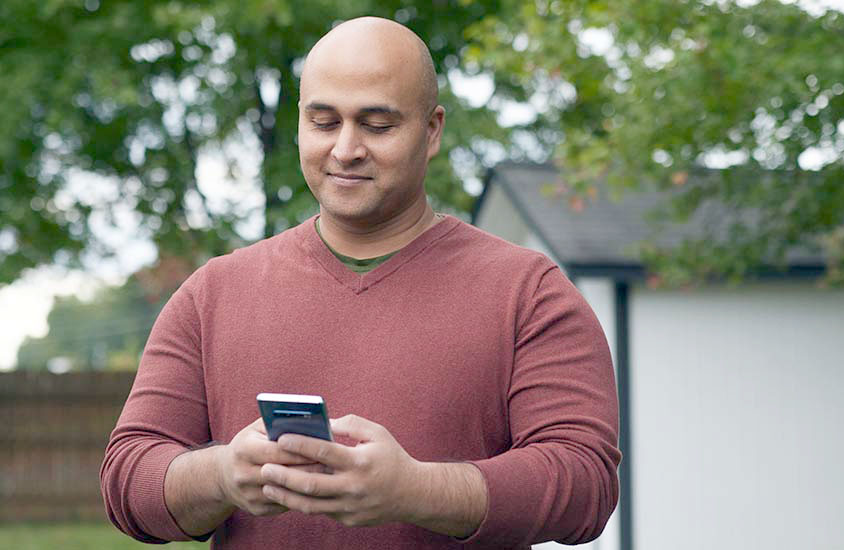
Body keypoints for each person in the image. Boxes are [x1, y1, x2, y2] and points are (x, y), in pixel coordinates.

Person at [101, 16, 620, 549]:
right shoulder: (213, 293)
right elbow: (129, 479)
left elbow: (585, 484)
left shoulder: (527, 293)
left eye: (377, 125)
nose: (345, 150)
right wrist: (221, 474)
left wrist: (417, 491)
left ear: (432, 130)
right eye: (324, 122)